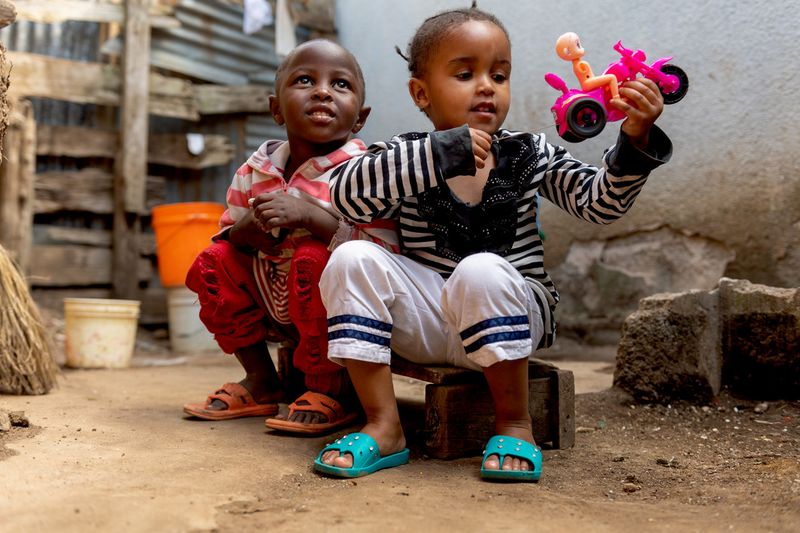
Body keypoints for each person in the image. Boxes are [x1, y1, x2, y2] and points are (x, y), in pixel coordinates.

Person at [313, 6, 672, 480]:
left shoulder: (529, 152)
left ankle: (514, 423)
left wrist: (635, 137)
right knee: (351, 258)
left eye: (499, 75)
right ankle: (384, 426)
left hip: (512, 314)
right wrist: (439, 154)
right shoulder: (406, 154)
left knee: (481, 269)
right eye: (465, 73)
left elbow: (599, 203)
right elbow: (344, 195)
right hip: (429, 323)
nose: (486, 85)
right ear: (421, 93)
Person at [183, 39, 396, 435]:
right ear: (276, 108)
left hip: (335, 311)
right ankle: (263, 379)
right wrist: (243, 233)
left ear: (360, 118)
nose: (322, 91)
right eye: (304, 80)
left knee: (313, 257)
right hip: (271, 298)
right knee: (211, 262)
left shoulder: (367, 172)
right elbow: (227, 236)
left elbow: (383, 254)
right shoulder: (256, 169)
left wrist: (311, 218)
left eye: (341, 85)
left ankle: (326, 389)